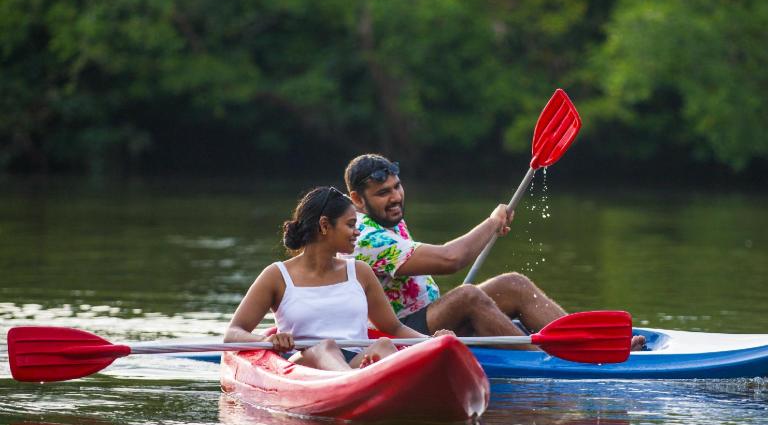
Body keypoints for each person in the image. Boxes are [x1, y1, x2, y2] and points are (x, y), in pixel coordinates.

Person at [344, 154, 646, 350]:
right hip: (399, 335)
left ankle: (587, 346)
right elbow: (451, 260)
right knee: (467, 296)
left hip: (427, 318)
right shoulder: (365, 237)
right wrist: (491, 224)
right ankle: (544, 360)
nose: (395, 197)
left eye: (397, 187)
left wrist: (490, 228)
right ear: (357, 199)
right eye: (383, 193)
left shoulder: (387, 216)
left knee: (512, 283)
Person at [225, 186, 452, 370]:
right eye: (351, 225)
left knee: (383, 345)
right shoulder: (276, 275)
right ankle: (354, 382)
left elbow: (394, 328)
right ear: (325, 225)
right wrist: (266, 341)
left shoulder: (361, 272)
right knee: (325, 347)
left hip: (354, 362)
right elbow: (233, 333)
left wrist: (433, 342)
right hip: (304, 365)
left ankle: (369, 382)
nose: (357, 232)